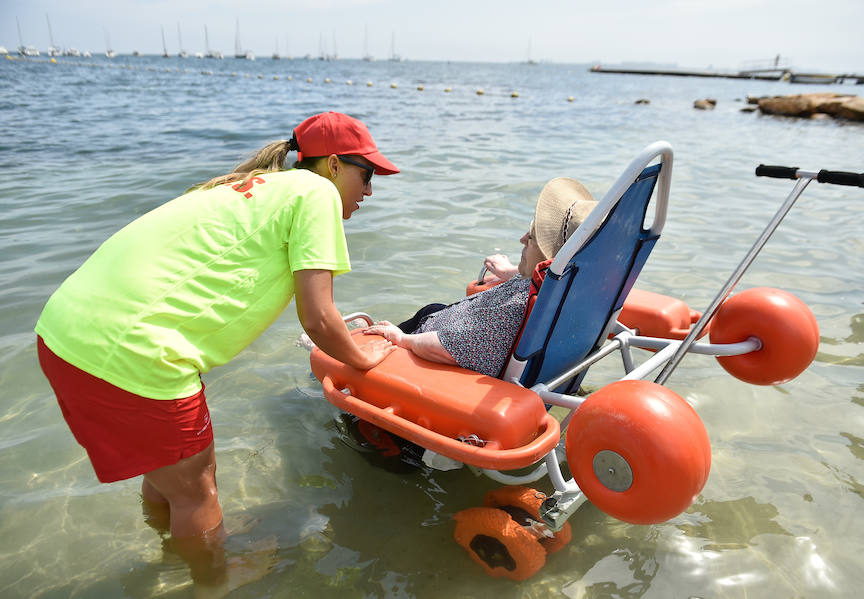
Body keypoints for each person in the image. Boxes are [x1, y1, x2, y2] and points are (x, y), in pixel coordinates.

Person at [34, 111, 399, 593]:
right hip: (138, 351)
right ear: (332, 165)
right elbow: (319, 318)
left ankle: (175, 554)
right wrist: (365, 359)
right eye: (366, 174)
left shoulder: (256, 185)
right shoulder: (315, 194)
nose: (369, 191)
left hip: (66, 333)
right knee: (198, 487)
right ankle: (212, 582)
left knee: (170, 476)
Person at [363, 177, 599, 378]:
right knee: (431, 309)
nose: (522, 238)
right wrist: (513, 272)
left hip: (436, 346)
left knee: (401, 327)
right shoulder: (571, 284)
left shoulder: (510, 314)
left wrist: (402, 339)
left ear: (552, 255)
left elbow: (447, 348)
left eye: (533, 236)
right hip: (452, 320)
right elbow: (545, 274)